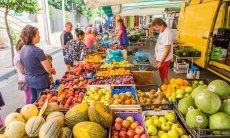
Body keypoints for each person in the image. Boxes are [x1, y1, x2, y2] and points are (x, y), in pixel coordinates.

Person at [20, 25, 52, 103]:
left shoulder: (23, 48)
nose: (40, 36)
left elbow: (23, 66)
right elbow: (48, 69)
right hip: (41, 82)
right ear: (33, 37)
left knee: (34, 100)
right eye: (38, 34)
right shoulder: (38, 51)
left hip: (30, 80)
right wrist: (52, 70)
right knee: (42, 102)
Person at [151, 18, 173, 84]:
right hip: (160, 57)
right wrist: (156, 53)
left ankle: (166, 90)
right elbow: (159, 43)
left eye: (157, 27)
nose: (156, 29)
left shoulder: (167, 33)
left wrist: (161, 62)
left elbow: (167, 50)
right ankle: (164, 87)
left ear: (162, 24)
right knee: (162, 75)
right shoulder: (162, 30)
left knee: (164, 76)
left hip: (164, 59)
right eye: (155, 27)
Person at [14, 39, 31, 104]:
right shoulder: (17, 56)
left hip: (26, 78)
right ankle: (28, 110)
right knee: (29, 97)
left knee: (30, 96)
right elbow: (22, 70)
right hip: (24, 79)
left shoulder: (20, 55)